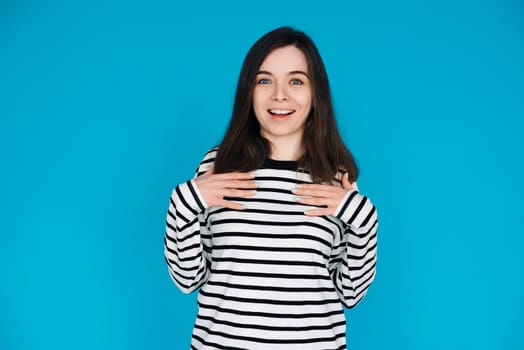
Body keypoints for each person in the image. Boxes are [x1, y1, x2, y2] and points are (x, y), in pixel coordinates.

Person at [164, 26, 378, 350]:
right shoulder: (218, 164)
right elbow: (187, 279)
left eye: (296, 81)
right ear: (248, 91)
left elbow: (350, 293)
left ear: (315, 93)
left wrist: (364, 218)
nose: (279, 95)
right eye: (264, 80)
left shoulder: (335, 177)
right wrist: (184, 201)